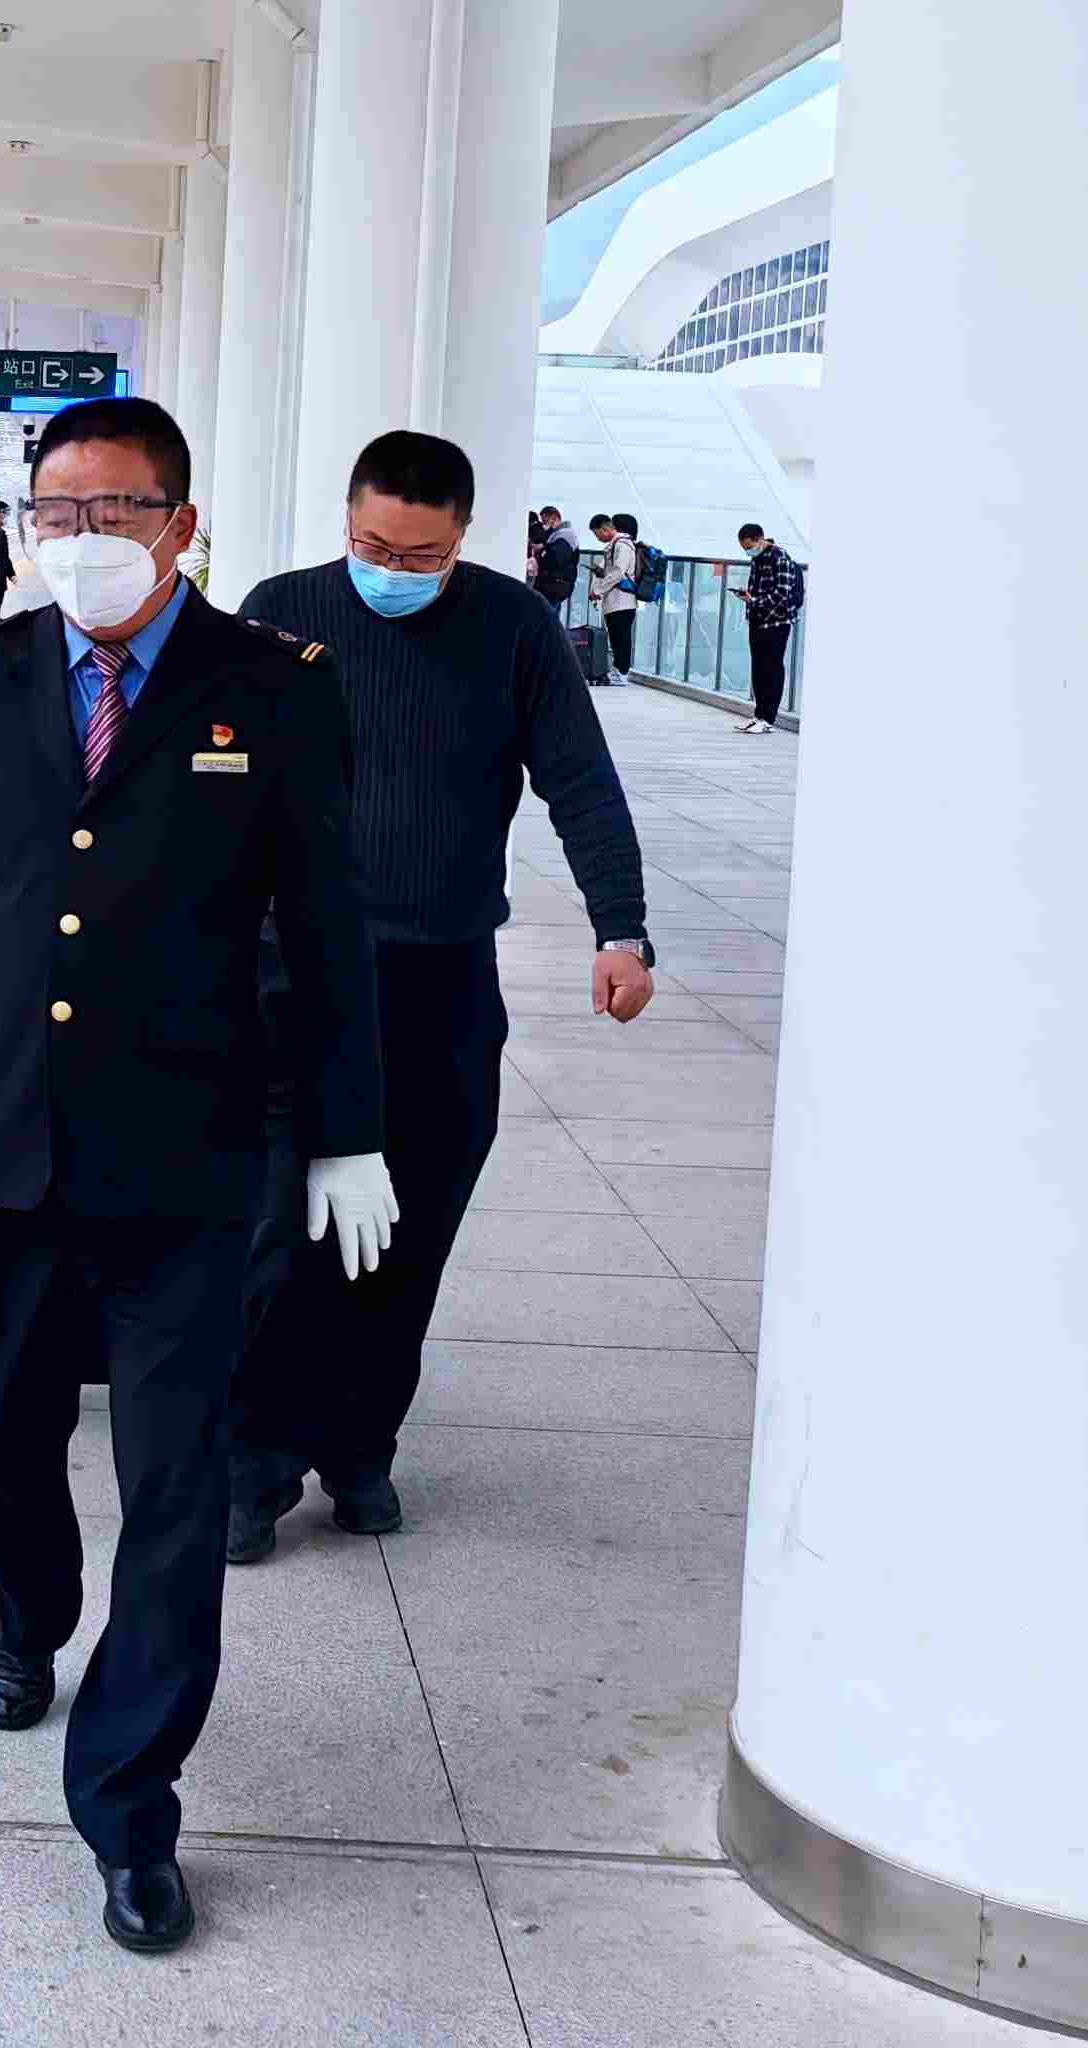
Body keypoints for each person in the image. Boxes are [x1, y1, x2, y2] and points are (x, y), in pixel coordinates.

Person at [0, 396, 395, 1956]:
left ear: (182, 527)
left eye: (116, 512)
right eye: (55, 514)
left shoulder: (273, 687)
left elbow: (327, 925)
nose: (80, 541)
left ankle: (131, 1806)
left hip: (187, 1150)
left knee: (176, 1488)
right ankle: (28, 1613)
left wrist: (347, 1131)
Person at [223, 429, 654, 1562]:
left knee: (411, 1231)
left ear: (465, 537)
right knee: (280, 1226)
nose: (394, 570)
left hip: (442, 978)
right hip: (291, 976)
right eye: (375, 546)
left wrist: (621, 927)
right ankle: (250, 1463)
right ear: (347, 520)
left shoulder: (513, 626)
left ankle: (360, 1447)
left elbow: (580, 781)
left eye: (422, 556)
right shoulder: (280, 611)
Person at [728, 521, 804, 733]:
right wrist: (748, 597)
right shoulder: (758, 559)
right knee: (759, 669)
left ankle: (768, 719)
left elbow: (782, 593)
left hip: (777, 622)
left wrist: (754, 601)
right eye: (744, 548)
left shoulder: (780, 557)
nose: (748, 551)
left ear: (760, 540)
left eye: (749, 547)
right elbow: (758, 589)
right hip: (758, 620)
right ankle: (759, 715)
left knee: (772, 668)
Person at [587, 513, 639, 681]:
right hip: (616, 601)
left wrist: (598, 590)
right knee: (617, 638)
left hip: (622, 602)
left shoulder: (622, 545)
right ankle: (618, 670)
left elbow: (618, 572)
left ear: (605, 529)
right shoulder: (616, 545)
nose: (598, 538)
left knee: (621, 638)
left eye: (597, 534)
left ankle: (622, 672)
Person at [532, 505, 582, 615]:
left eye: (545, 521)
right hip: (556, 585)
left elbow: (555, 559)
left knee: (545, 616)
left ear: (553, 518)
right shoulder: (560, 534)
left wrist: (542, 553)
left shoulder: (565, 535)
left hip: (554, 584)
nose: (544, 525)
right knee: (550, 616)